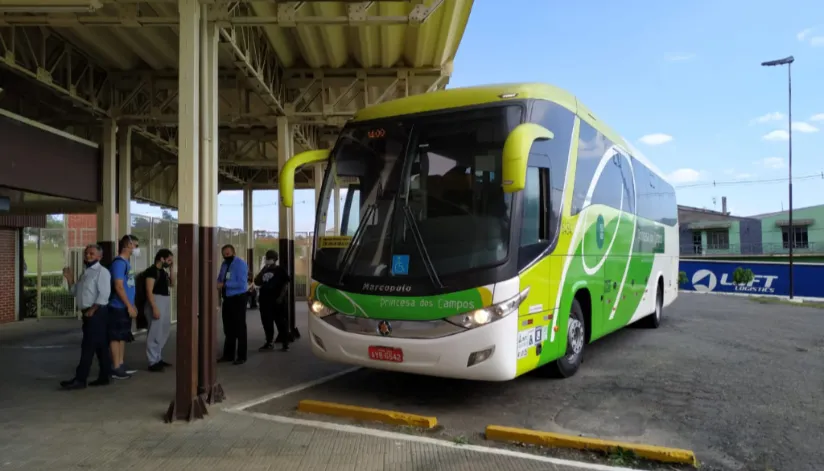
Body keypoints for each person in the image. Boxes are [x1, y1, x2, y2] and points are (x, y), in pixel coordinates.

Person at [60, 244, 116, 389]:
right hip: (87, 312)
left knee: (88, 346)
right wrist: (70, 279)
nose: (88, 255)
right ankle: (105, 375)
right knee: (101, 346)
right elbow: (75, 292)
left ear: (99, 256)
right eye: (86, 253)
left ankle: (80, 379)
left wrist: (93, 309)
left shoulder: (101, 272)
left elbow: (104, 294)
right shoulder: (86, 273)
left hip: (96, 313)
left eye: (92, 253)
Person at [109, 234, 140, 379]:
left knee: (122, 336)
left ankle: (120, 363)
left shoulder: (126, 263)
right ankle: (115, 366)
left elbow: (129, 286)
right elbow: (119, 286)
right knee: (116, 336)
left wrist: (132, 305)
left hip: (126, 305)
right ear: (128, 245)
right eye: (136, 245)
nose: (136, 249)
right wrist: (128, 305)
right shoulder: (119, 263)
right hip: (118, 307)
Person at [217, 244, 250, 365]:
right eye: (224, 254)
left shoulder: (240, 264)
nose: (226, 255)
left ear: (233, 252)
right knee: (228, 328)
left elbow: (242, 284)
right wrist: (218, 283)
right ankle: (228, 355)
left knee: (240, 327)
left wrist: (225, 285)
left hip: (238, 298)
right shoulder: (224, 264)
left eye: (228, 253)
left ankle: (242, 356)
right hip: (227, 299)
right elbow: (220, 278)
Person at [254, 250, 292, 352]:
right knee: (266, 322)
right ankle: (269, 342)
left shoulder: (280, 270)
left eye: (270, 258)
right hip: (265, 301)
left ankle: (285, 343)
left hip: (276, 301)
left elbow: (286, 284)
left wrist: (281, 297)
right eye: (267, 258)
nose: (268, 259)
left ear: (275, 259)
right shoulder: (264, 270)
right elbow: (257, 281)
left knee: (280, 322)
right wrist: (263, 269)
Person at [145, 249, 174, 372]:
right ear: (161, 258)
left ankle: (158, 357)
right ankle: (152, 361)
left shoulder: (163, 272)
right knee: (154, 331)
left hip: (164, 300)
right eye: (169, 260)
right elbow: (149, 290)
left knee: (163, 330)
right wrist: (154, 307)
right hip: (156, 301)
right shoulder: (151, 271)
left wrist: (172, 268)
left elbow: (172, 284)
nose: (170, 262)